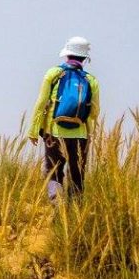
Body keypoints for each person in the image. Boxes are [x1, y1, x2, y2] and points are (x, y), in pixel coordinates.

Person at [27, 37, 100, 202]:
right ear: (84, 58)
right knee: (77, 172)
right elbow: (94, 112)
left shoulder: (53, 74)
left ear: (67, 55)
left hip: (53, 133)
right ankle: (75, 210)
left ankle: (57, 207)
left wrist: (33, 130)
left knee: (54, 170)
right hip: (80, 135)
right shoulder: (91, 80)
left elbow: (41, 103)